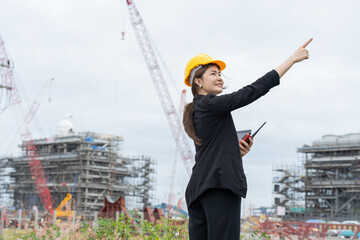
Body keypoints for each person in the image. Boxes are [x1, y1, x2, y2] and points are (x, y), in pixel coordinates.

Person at [182, 38, 312, 240]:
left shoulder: (196, 110)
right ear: (197, 81)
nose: (220, 78)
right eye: (213, 73)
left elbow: (211, 150)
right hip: (219, 186)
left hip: (199, 190)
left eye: (220, 74)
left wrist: (236, 151)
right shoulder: (210, 104)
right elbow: (251, 91)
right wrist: (291, 60)